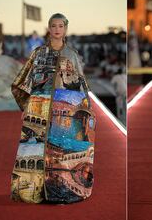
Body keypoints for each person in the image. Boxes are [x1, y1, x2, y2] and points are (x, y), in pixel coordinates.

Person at [10, 13, 96, 203]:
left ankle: (61, 192)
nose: (57, 29)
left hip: (63, 104)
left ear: (65, 29)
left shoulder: (72, 54)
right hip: (38, 105)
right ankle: (33, 192)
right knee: (34, 149)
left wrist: (86, 106)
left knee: (61, 151)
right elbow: (23, 79)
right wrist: (26, 105)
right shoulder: (38, 53)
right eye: (53, 26)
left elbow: (81, 83)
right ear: (49, 28)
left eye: (60, 26)